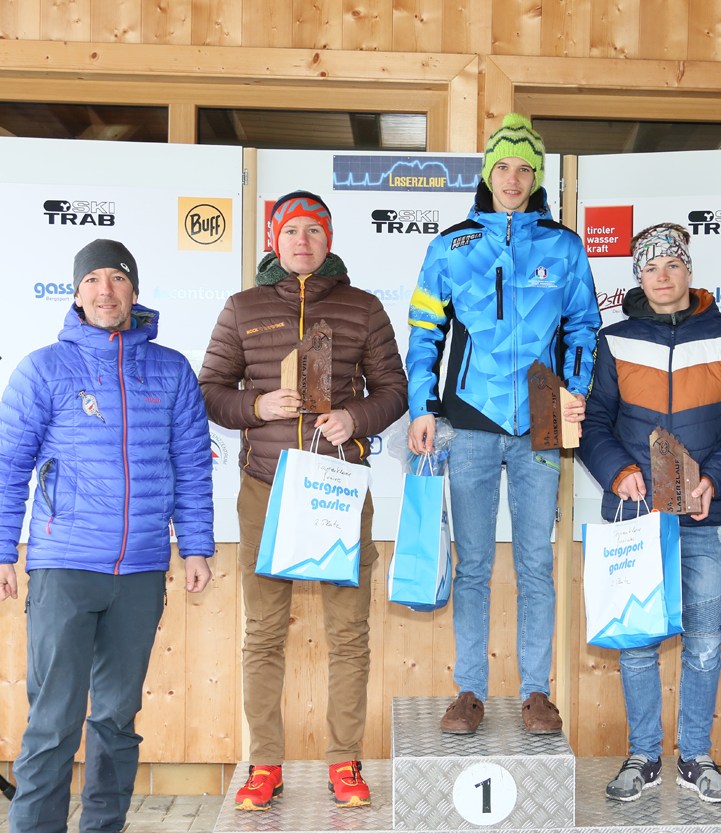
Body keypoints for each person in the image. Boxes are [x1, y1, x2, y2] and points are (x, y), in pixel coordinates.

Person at [0, 239, 214, 833]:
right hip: (65, 569)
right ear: (76, 292)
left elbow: (191, 464)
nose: (105, 290)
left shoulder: (171, 369)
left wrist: (197, 546)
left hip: (138, 573)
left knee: (115, 719)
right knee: (53, 721)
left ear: (134, 291)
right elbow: (6, 466)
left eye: (117, 278)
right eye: (93, 280)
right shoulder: (45, 368)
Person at [199, 191, 407, 811]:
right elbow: (209, 390)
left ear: (329, 238)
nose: (302, 241)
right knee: (262, 633)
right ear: (273, 238)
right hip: (265, 490)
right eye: (291, 231)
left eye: (313, 231)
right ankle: (265, 765)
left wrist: (355, 417)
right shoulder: (242, 309)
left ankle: (345, 763)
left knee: (348, 634)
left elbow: (394, 389)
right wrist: (255, 407)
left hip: (338, 490)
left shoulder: (363, 308)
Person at [406, 113, 600, 735]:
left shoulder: (564, 245)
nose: (513, 179)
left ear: (536, 176)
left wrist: (573, 391)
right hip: (467, 421)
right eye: (502, 167)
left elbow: (583, 326)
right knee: (474, 565)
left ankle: (537, 694)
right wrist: (420, 407)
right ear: (487, 173)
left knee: (537, 564)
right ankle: (469, 691)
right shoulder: (452, 244)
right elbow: (424, 333)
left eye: (524, 169)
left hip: (541, 422)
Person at [579, 223, 721, 803]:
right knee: (636, 643)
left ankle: (695, 758)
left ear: (689, 271)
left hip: (701, 524)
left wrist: (717, 478)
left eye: (673, 265)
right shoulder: (612, 341)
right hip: (634, 520)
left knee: (705, 643)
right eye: (650, 268)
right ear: (638, 276)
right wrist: (617, 472)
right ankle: (644, 756)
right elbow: (591, 422)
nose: (662, 277)